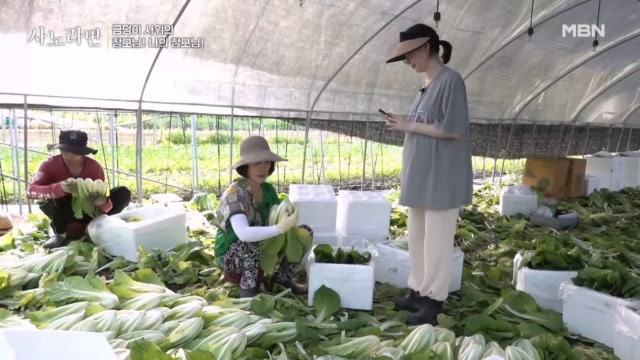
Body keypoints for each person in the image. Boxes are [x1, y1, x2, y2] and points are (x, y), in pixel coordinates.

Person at [383, 24, 473, 325]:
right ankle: (418, 291)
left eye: (409, 55)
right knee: (418, 237)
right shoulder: (427, 83)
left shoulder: (451, 81)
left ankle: (434, 301)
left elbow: (452, 129)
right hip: (422, 176)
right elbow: (427, 121)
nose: (408, 62)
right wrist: (405, 120)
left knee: (437, 241)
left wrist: (409, 126)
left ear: (425, 48)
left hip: (442, 178)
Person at [213, 135, 312, 298]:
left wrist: (290, 215)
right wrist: (280, 228)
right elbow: (244, 234)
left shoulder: (267, 190)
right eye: (257, 163)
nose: (263, 168)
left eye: (267, 162)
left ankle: (283, 277)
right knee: (254, 238)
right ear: (246, 166)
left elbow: (279, 215)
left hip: (261, 248)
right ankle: (248, 289)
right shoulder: (235, 194)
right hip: (231, 255)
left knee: (305, 232)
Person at [27, 129, 132, 249]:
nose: (71, 155)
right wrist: (59, 188)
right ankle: (60, 234)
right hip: (62, 213)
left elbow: (107, 205)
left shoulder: (95, 167)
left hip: (91, 213)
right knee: (59, 197)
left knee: (123, 193)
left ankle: (97, 228)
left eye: (75, 152)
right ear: (60, 149)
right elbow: (31, 191)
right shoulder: (48, 165)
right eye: (66, 150)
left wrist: (103, 202)